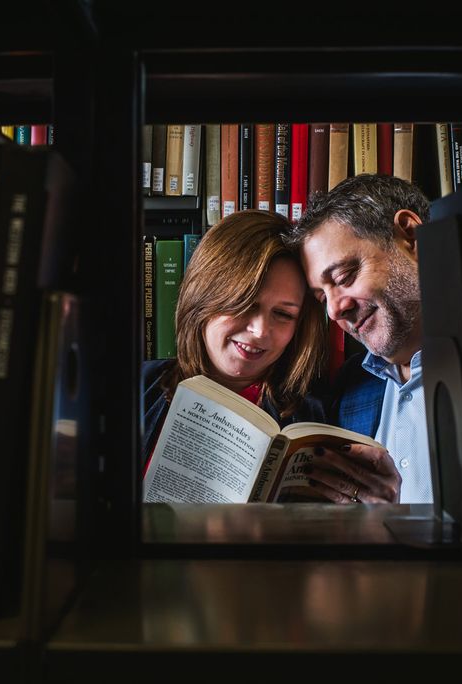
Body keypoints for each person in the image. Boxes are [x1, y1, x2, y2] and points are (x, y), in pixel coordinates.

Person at [141, 210, 331, 474]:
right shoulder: (137, 388)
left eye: (283, 314)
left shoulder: (319, 417)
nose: (260, 330)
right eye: (245, 304)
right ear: (203, 297)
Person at [287, 173, 432, 504]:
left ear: (410, 235)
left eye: (343, 277)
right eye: (322, 299)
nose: (335, 311)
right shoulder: (350, 387)